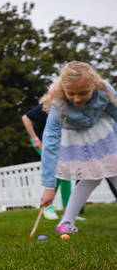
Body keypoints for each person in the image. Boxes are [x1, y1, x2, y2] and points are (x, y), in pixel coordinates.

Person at [39, 62, 117, 234]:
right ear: (63, 89)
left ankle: (66, 221)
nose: (76, 99)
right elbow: (50, 138)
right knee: (90, 178)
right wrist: (49, 186)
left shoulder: (105, 90)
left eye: (83, 93)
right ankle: (66, 222)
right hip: (78, 140)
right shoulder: (58, 102)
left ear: (93, 85)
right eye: (71, 93)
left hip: (103, 135)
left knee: (113, 173)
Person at [22, 104, 73, 220]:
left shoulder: (70, 107)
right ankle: (47, 207)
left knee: (65, 173)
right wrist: (35, 139)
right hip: (41, 141)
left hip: (56, 142)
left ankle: (68, 212)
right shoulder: (48, 106)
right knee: (56, 170)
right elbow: (25, 117)